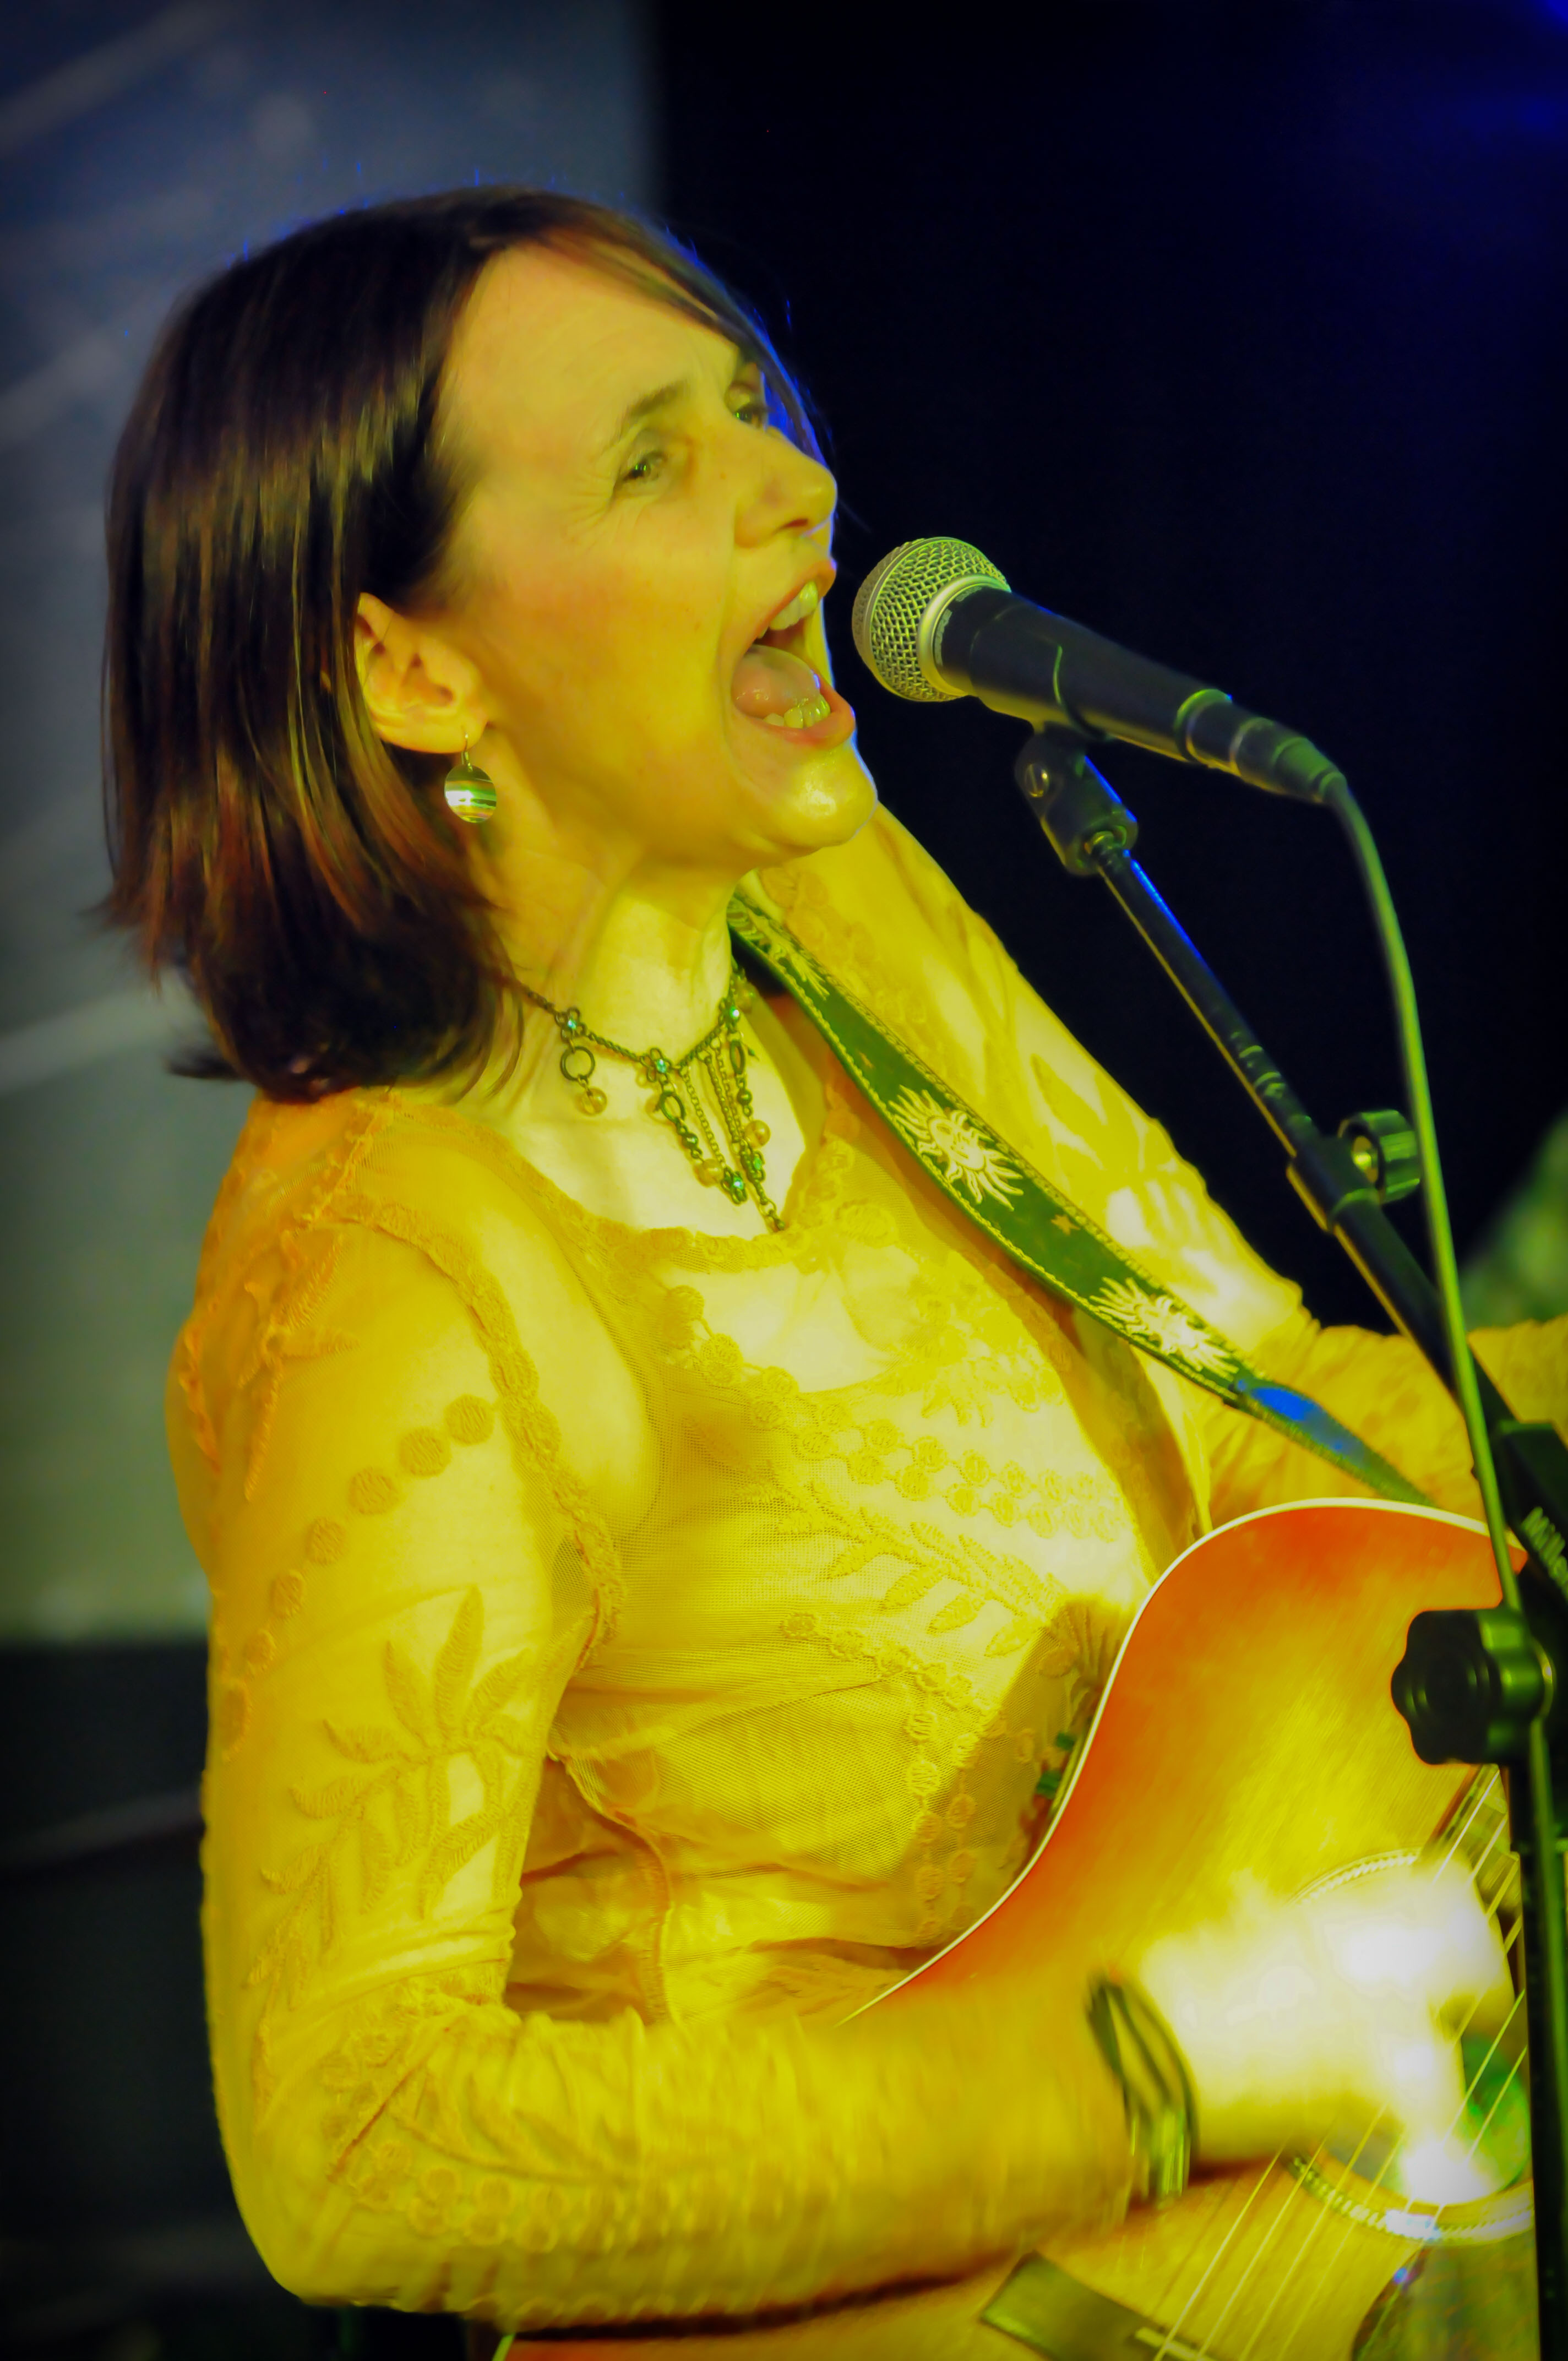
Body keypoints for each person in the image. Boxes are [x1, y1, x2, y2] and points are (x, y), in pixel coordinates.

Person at [105, 189, 1563, 2343]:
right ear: (415, 669)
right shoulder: (389, 1284)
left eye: (750, 406)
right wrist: (1146, 2073)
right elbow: (356, 2145)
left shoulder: (826, 908)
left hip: (1306, 2205)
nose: (798, 484)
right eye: (649, 461)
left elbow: (1261, 1399)